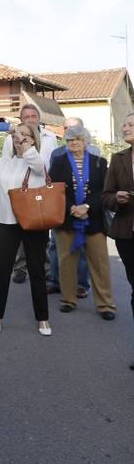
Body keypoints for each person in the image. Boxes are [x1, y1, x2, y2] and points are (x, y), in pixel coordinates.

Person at [0, 124, 52, 335]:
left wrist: (18, 133)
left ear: (34, 140)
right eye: (16, 135)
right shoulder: (6, 162)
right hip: (8, 222)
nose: (18, 139)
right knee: (2, 269)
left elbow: (36, 164)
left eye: (25, 135)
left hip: (34, 222)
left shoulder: (39, 160)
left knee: (36, 269)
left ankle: (43, 318)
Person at [49, 125, 116, 320]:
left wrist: (86, 207)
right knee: (66, 263)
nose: (74, 143)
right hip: (67, 219)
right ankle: (68, 300)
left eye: (78, 139)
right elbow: (55, 188)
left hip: (93, 220)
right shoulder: (59, 162)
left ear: (86, 141)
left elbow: (104, 191)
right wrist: (72, 207)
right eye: (70, 140)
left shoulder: (99, 163)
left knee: (100, 264)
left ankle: (106, 305)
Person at [1, 104, 57, 284]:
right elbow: (7, 161)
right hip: (21, 188)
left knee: (41, 229)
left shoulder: (50, 136)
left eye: (34, 116)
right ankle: (20, 267)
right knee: (20, 229)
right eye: (26, 117)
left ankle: (44, 267)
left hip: (41, 186)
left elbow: (52, 162)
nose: (31, 119)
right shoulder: (12, 138)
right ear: (21, 119)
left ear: (39, 118)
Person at [47, 117, 98, 297]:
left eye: (74, 129)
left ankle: (82, 284)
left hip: (86, 209)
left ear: (83, 132)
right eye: (66, 129)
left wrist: (85, 206)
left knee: (82, 247)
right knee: (55, 246)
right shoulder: (57, 154)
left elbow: (97, 184)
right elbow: (54, 183)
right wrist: (69, 206)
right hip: (64, 207)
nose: (70, 133)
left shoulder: (94, 152)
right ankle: (54, 281)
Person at [102, 112, 134, 364]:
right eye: (124, 124)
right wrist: (117, 199)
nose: (125, 127)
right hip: (127, 233)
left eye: (131, 124)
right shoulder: (119, 158)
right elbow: (106, 195)